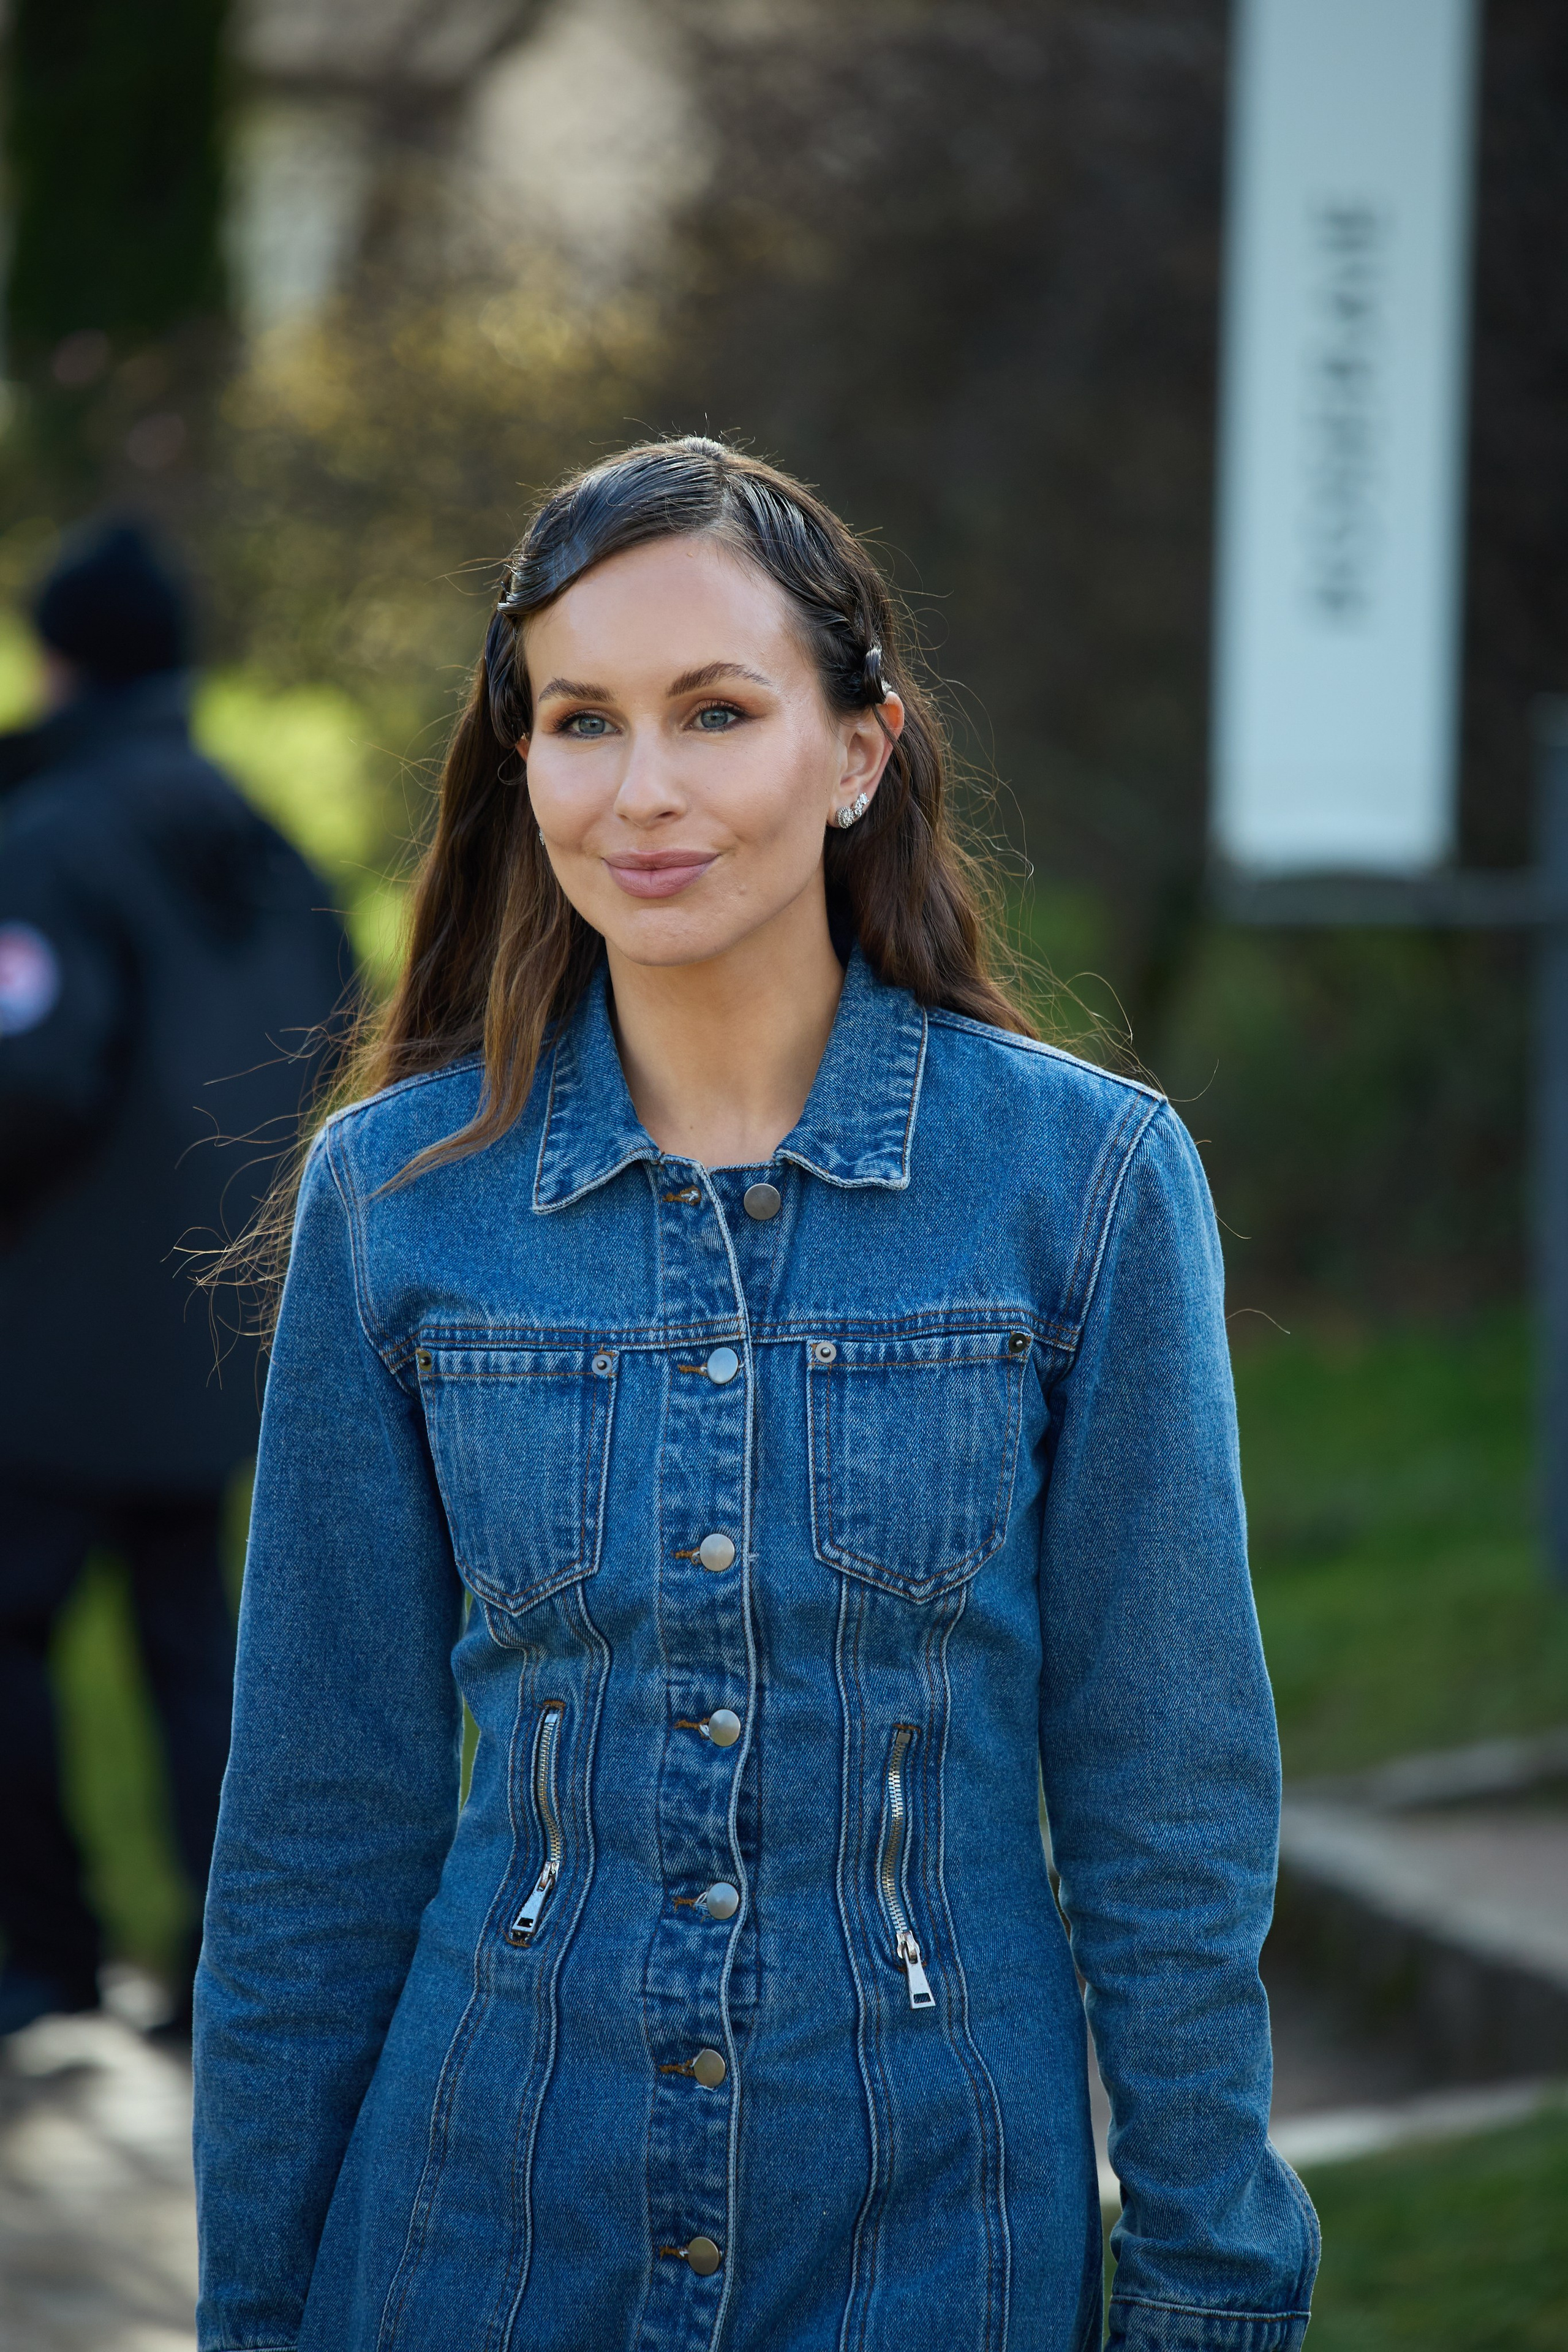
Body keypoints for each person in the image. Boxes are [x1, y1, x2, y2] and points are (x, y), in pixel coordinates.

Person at [194, 439, 1318, 2352]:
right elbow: (318, 1826)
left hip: (936, 2233)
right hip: (478, 2233)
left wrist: (1212, 2286)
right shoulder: (396, 1208)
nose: (644, 790)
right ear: (520, 757)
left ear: (860, 749)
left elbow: (1166, 1802)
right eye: (581, 720)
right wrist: (261, 2307)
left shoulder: (1086, 1186)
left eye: (717, 712)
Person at [0, 518, 351, 2040]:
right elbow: (347, 1041)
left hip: (53, 1337)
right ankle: (226, 1979)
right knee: (197, 1649)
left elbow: (29, 1076)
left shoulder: (50, 839)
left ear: (61, 654)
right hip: (226, 1327)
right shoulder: (259, 837)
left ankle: (42, 1962)